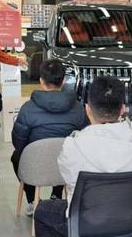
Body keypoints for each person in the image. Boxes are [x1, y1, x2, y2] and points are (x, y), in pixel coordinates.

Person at [23, 76, 132, 237]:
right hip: (131, 223)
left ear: (88, 109)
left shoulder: (74, 145)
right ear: (123, 109)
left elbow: (67, 178)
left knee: (43, 211)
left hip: (87, 227)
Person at [11, 59, 87, 216]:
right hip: (66, 164)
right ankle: (56, 195)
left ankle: (33, 200)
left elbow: (18, 141)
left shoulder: (28, 108)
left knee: (16, 157)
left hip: (35, 164)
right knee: (64, 151)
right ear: (63, 81)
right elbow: (84, 139)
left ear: (41, 81)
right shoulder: (78, 108)